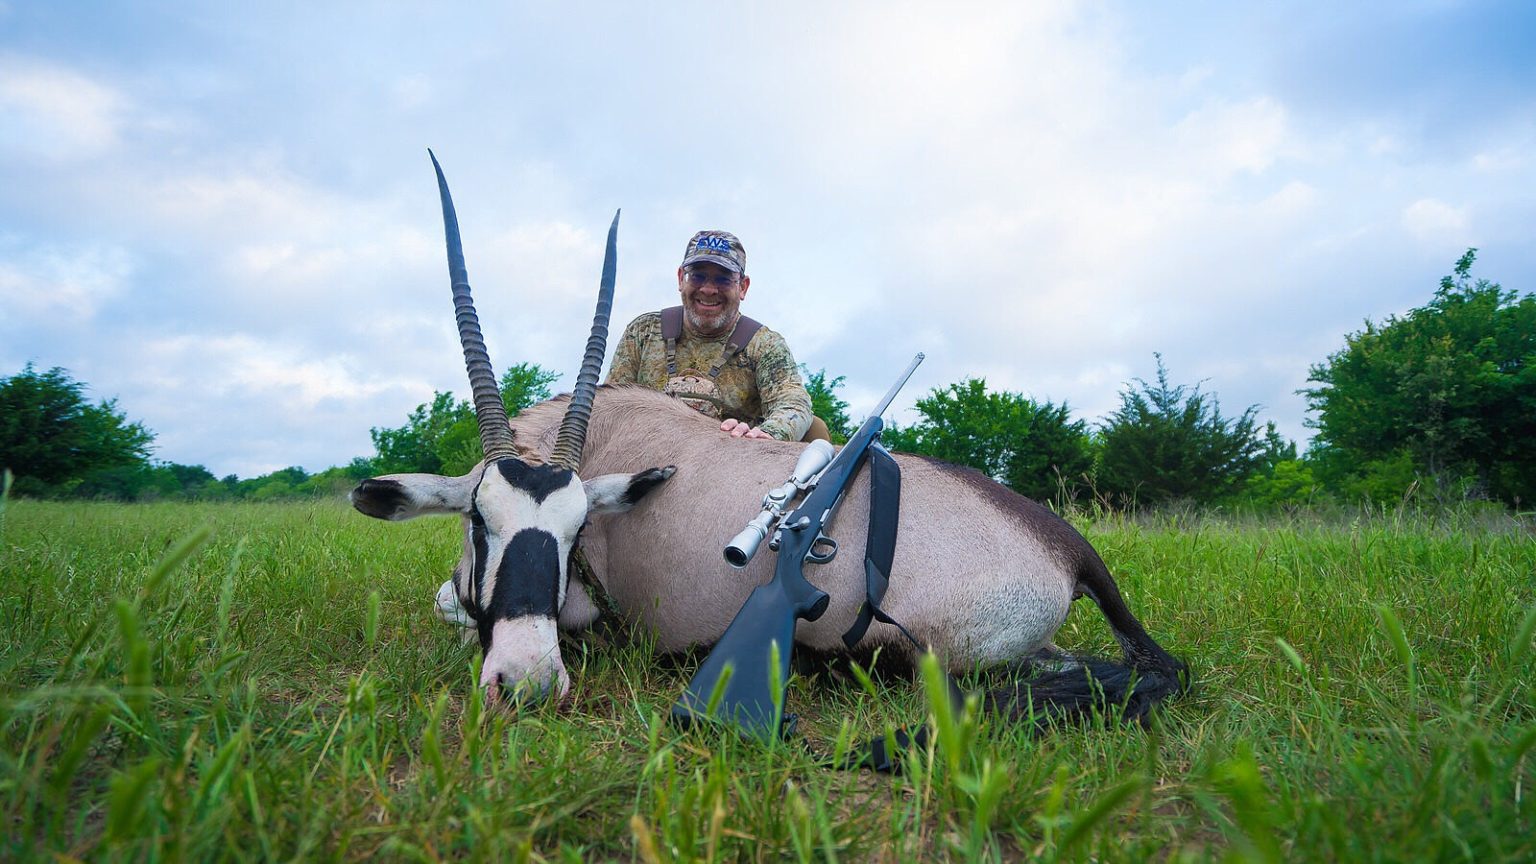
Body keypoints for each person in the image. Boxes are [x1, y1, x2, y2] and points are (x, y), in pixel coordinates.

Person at [607, 230, 828, 442]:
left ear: (743, 287)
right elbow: (610, 403)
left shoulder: (764, 345)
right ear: (680, 278)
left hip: (728, 463)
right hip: (646, 455)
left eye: (723, 279)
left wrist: (767, 433)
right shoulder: (644, 332)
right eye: (698, 276)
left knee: (815, 429)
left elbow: (793, 403)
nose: (709, 289)